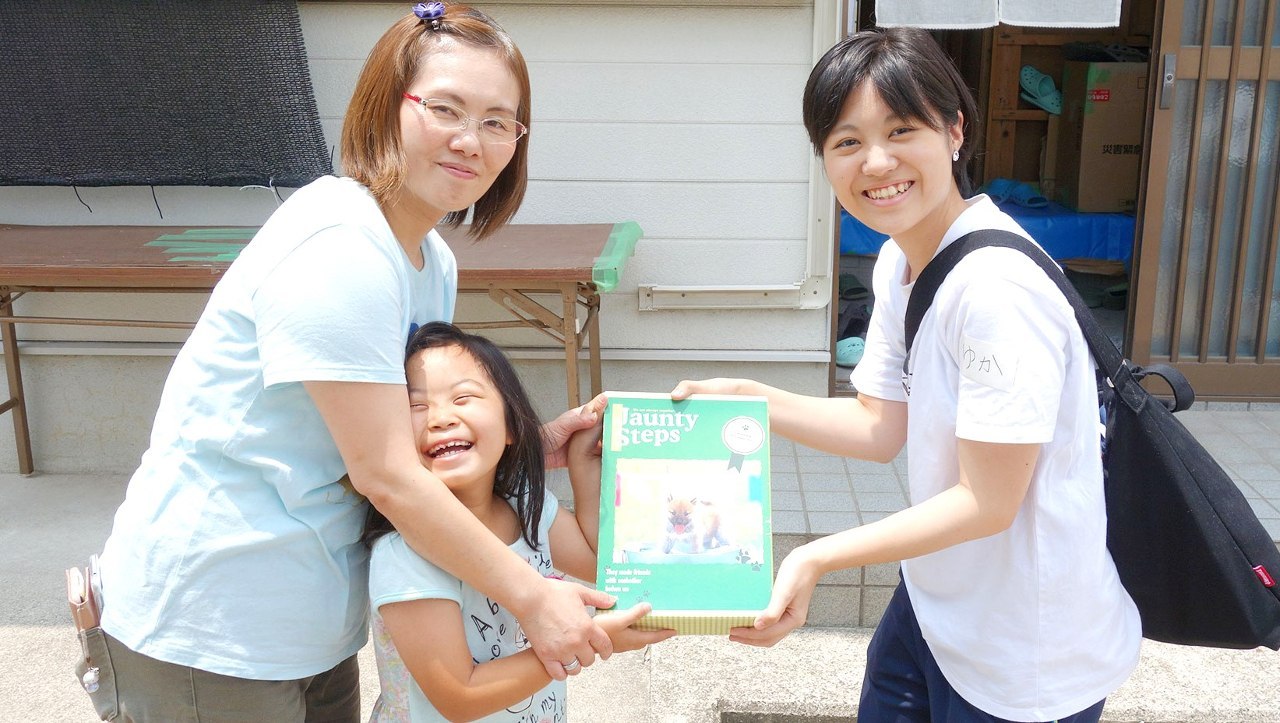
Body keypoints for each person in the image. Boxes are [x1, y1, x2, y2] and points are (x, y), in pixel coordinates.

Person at [89, 5, 614, 721]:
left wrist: (524, 443)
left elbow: (398, 438)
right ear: (386, 107)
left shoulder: (431, 262)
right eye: (446, 109)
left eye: (499, 121)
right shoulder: (340, 243)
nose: (472, 140)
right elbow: (388, 474)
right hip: (210, 618)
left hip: (310, 618)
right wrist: (534, 597)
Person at [673, 27, 1141, 723]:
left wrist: (814, 557)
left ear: (955, 131)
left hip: (1023, 657)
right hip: (934, 605)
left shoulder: (996, 291)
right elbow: (878, 423)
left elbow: (988, 501)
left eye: (902, 129)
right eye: (847, 141)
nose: (877, 161)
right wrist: (749, 397)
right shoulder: (902, 259)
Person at [365, 322, 674, 721]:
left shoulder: (526, 508)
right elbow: (461, 696)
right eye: (416, 406)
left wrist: (582, 460)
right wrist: (590, 639)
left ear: (511, 425)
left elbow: (606, 561)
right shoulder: (404, 555)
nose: (440, 418)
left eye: (463, 398)